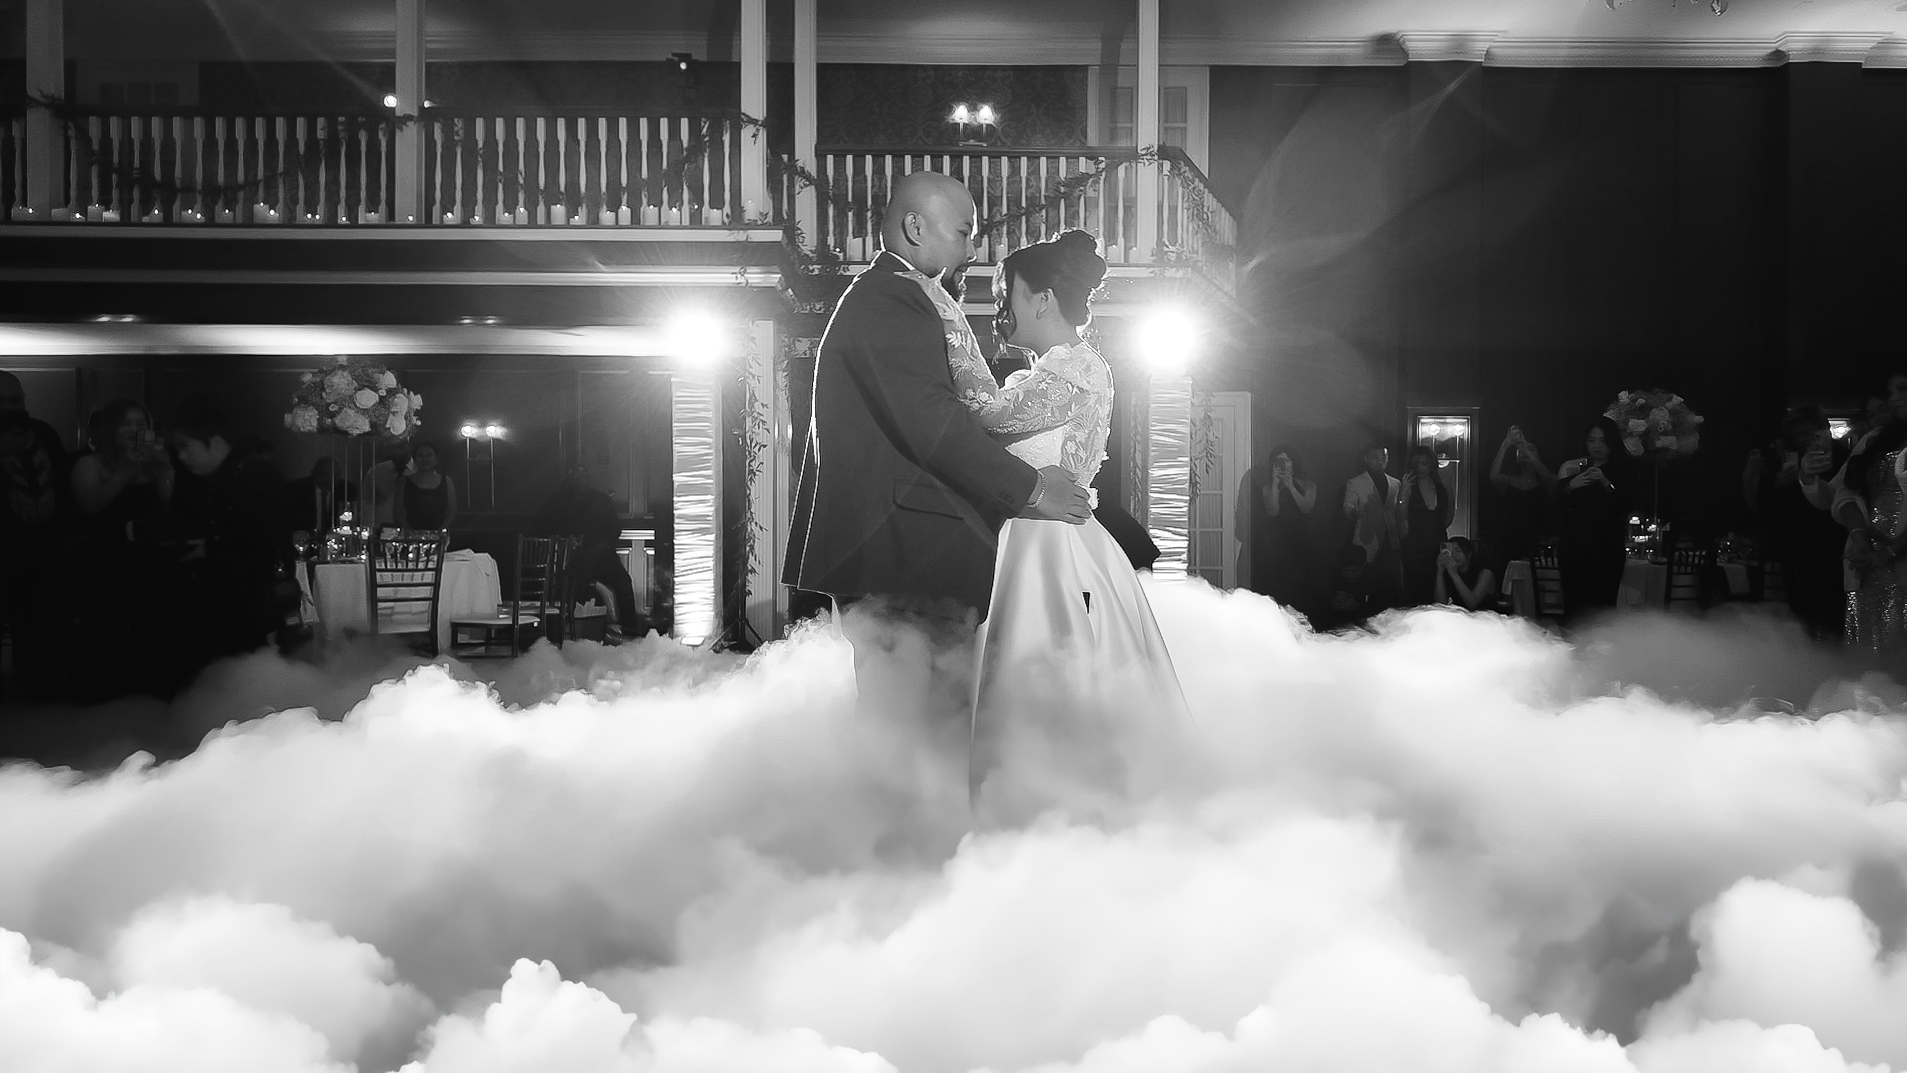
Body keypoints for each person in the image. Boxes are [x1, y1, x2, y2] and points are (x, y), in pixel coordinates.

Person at [782, 171, 1091, 726]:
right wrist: (1033, 489)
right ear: (916, 227)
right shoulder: (892, 302)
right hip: (905, 560)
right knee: (919, 735)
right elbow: (932, 422)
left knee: (918, 732)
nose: (973, 248)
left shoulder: (900, 297)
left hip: (907, 560)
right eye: (965, 232)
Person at [959, 230, 1188, 813]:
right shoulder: (1053, 371)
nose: (997, 306)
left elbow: (984, 418)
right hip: (1036, 536)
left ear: (1041, 299)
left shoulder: (1073, 370)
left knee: (1047, 682)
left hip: (1049, 547)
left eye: (1004, 291)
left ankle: (1047, 807)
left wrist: (951, 341)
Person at [164, 398, 293, 677]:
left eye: (186, 446)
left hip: (246, 608)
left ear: (215, 438)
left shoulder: (254, 475)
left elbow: (264, 541)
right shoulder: (202, 479)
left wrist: (209, 549)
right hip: (218, 608)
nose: (182, 456)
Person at [69, 399, 175, 702]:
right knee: (104, 638)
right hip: (104, 565)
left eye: (141, 424)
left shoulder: (153, 464)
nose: (134, 430)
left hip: (150, 566)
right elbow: (89, 504)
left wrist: (163, 471)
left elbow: (170, 509)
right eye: (126, 424)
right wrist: (127, 469)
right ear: (111, 428)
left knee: (151, 638)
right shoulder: (90, 464)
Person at [0, 372, 70, 702]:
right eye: (1, 401)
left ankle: (43, 699)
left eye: (15, 400)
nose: (9, 408)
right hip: (4, 551)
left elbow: (64, 486)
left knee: (43, 632)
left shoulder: (42, 433)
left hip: (45, 551)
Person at [1832, 372, 1907, 654]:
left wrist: (1890, 552)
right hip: (1868, 561)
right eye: (1891, 392)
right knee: (1869, 648)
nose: (1894, 397)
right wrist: (1860, 536)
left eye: (1903, 389)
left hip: (1897, 556)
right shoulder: (1876, 438)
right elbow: (1845, 492)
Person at [532, 466, 644, 638]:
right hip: (572, 559)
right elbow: (541, 524)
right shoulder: (558, 501)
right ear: (570, 480)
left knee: (624, 583)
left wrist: (601, 544)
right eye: (576, 478)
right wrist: (563, 538)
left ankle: (630, 629)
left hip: (602, 557)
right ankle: (567, 631)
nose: (580, 481)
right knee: (572, 588)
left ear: (589, 479)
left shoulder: (601, 500)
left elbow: (615, 529)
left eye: (584, 477)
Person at [1555, 417, 1632, 621]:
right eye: (1592, 440)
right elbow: (1555, 505)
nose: (1597, 446)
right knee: (1574, 605)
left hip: (1606, 548)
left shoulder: (1624, 468)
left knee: (1603, 606)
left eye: (1602, 441)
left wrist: (1605, 482)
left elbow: (1625, 505)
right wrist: (1572, 485)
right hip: (1574, 547)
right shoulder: (1573, 467)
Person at [1251, 444, 1316, 609]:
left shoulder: (1308, 484)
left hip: (1299, 544)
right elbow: (1273, 511)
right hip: (1276, 546)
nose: (1283, 464)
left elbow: (1306, 508)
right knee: (1276, 592)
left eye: (1286, 460)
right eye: (1278, 461)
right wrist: (1275, 484)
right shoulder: (1268, 487)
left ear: (1293, 462)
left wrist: (1291, 486)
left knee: (1300, 591)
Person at [1342, 442, 1404, 610]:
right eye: (1375, 458)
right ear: (1367, 459)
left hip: (1391, 541)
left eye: (1384, 457)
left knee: (1393, 584)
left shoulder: (1395, 483)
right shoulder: (1355, 483)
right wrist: (1354, 512)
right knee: (1365, 583)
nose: (1380, 461)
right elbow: (1348, 506)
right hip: (1366, 541)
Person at [1489, 424, 1554, 564]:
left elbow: (1548, 478)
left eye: (1531, 449)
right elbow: (1493, 477)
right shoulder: (1508, 481)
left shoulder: (1545, 481)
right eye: (1520, 451)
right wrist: (1506, 444)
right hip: (1511, 539)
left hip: (1538, 540)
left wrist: (1524, 447)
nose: (1524, 452)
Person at [1398, 444, 1452, 606]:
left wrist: (1436, 531)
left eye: (1424, 463)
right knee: (1415, 594)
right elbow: (1400, 518)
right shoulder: (1408, 486)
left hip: (1437, 544)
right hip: (1414, 546)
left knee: (1439, 592)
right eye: (1416, 464)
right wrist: (1404, 492)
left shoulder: (1443, 487)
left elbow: (1449, 516)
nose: (1420, 468)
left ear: (1432, 465)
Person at [1314, 544, 1382, 632]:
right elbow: (1321, 599)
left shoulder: (1376, 577)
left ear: (1363, 565)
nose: (1349, 575)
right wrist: (1332, 603)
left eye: (1354, 571)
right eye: (1345, 571)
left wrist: (1358, 607)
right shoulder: (1334, 575)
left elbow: (1383, 609)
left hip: (1367, 627)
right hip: (1339, 627)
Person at [284, 457, 357, 536]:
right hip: (304, 540)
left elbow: (351, 522)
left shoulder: (347, 490)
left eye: (335, 475)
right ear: (314, 474)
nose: (331, 480)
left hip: (336, 541)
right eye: (326, 475)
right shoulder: (296, 489)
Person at [395, 441, 457, 532]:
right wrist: (409, 531)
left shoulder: (446, 481)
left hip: (439, 535)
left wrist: (442, 528)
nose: (425, 460)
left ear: (436, 459)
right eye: (420, 456)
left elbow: (452, 511)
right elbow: (397, 514)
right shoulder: (404, 482)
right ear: (415, 459)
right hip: (411, 536)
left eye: (429, 455)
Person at [1434, 536, 1497, 611]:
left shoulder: (1485, 573)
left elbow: (1472, 604)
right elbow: (1440, 606)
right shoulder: (1450, 572)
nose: (1454, 555)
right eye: (1451, 551)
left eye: (1458, 551)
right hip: (1461, 618)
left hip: (1484, 618)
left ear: (1469, 554)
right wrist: (1439, 573)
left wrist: (1454, 575)